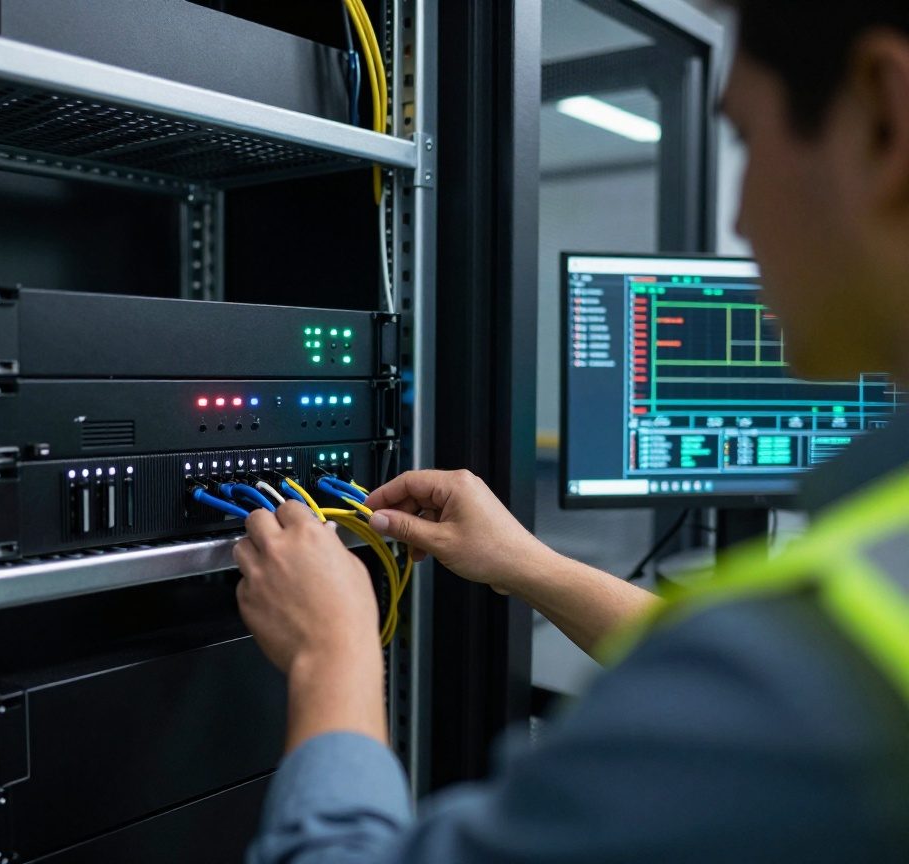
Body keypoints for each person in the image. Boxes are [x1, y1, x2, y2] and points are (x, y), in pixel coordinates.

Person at [232, 2, 909, 860]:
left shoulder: (806, 697)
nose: (739, 224)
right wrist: (531, 565)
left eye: (752, 141)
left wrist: (331, 655)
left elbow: (772, 690)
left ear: (885, 117)